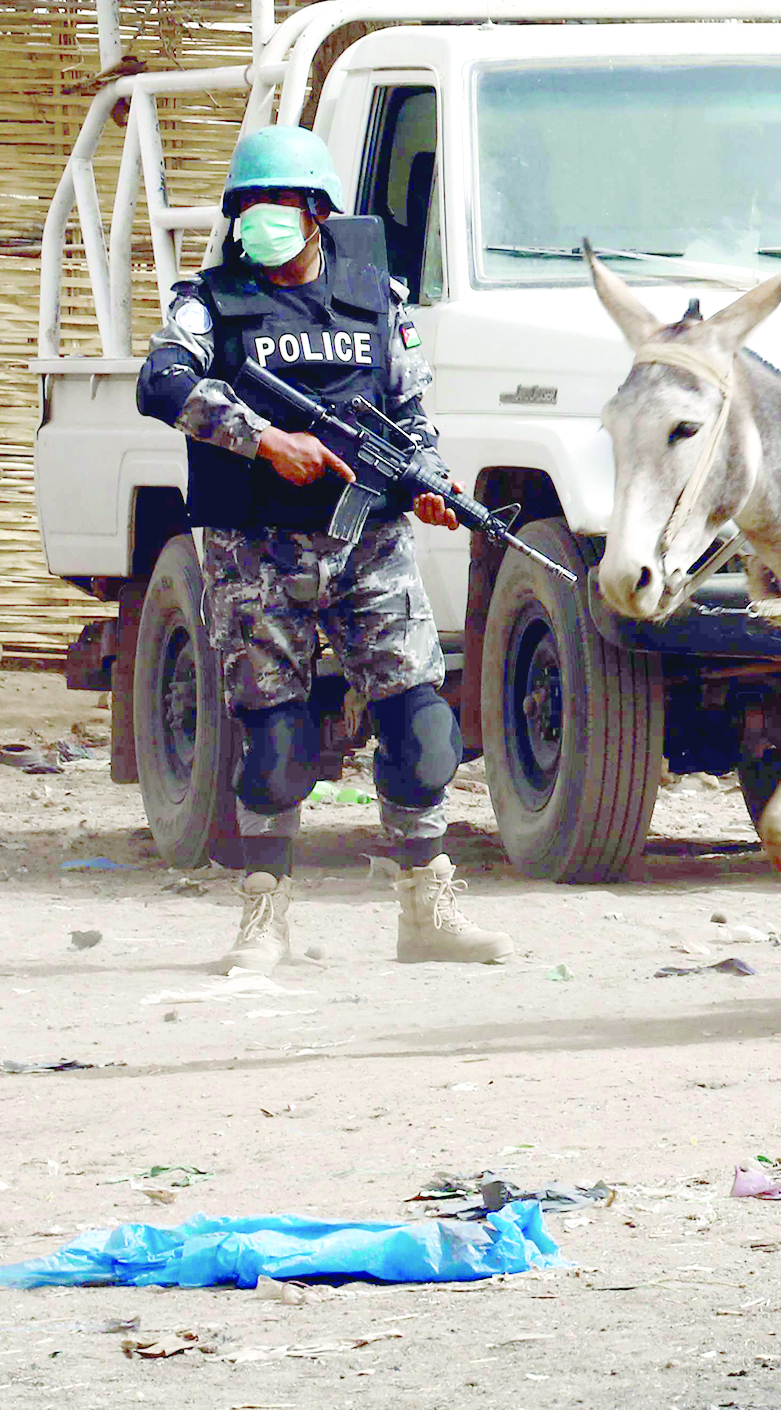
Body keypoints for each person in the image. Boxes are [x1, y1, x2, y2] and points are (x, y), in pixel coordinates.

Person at [136, 126, 514, 972]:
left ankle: (425, 911)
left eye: (278, 205)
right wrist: (263, 438)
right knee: (274, 746)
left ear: (317, 212)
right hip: (253, 551)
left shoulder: (376, 294)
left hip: (370, 542)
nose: (259, 222)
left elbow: (412, 412)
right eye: (247, 206)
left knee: (422, 731)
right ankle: (264, 917)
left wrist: (428, 481)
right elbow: (160, 381)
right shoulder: (208, 300)